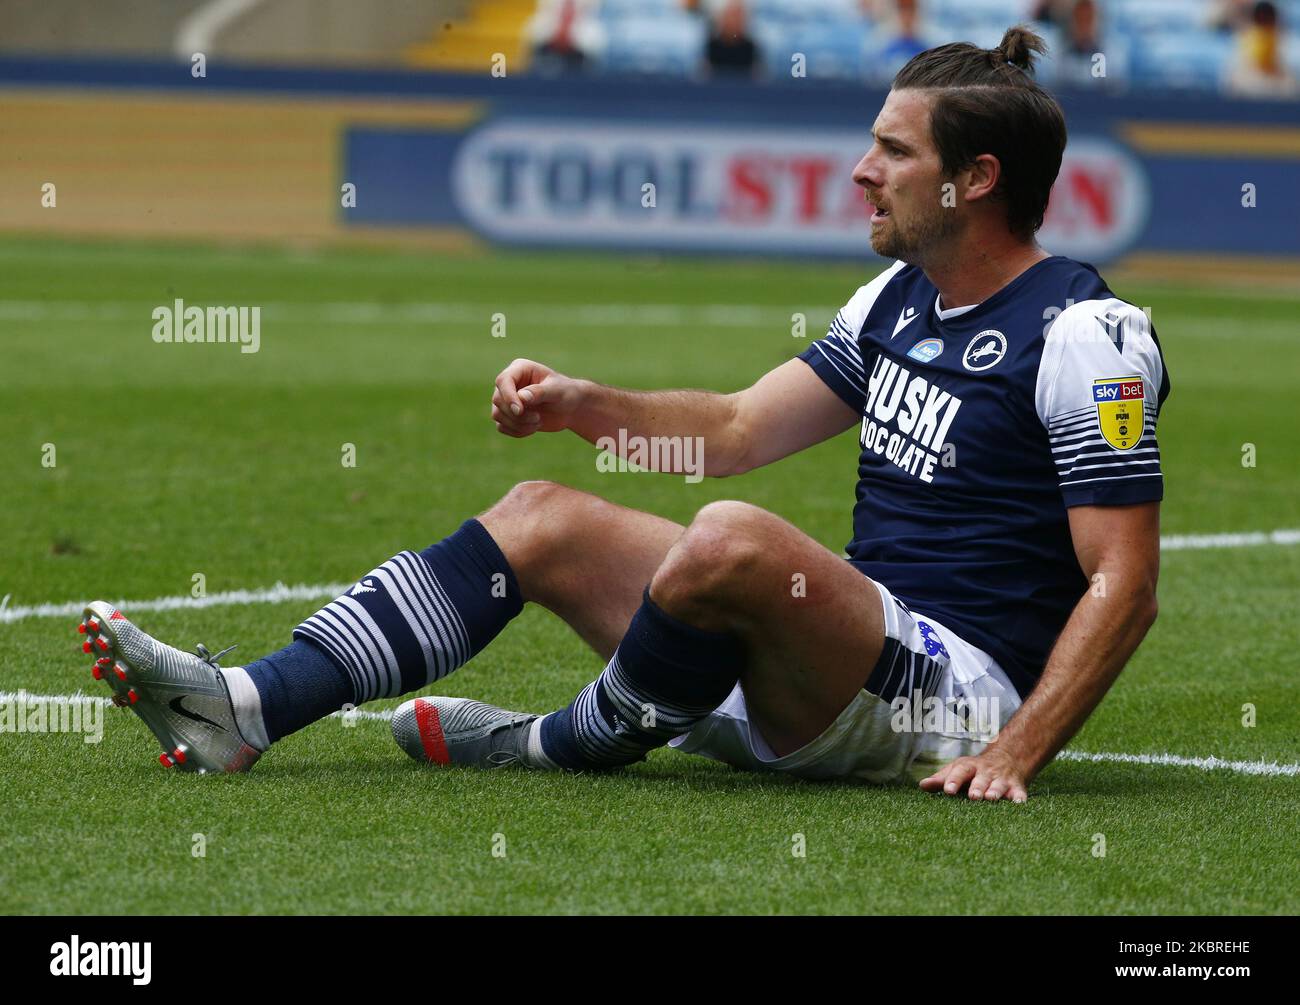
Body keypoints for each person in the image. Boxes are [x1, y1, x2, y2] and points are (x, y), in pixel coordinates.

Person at [79, 26, 1168, 803]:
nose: (859, 171)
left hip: (957, 701)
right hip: (845, 649)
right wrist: (586, 407)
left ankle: (557, 744)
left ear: (974, 179)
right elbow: (740, 430)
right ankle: (246, 709)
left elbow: (1124, 583)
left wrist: (1017, 751)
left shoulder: (1086, 335)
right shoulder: (895, 298)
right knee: (540, 514)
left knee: (734, 539)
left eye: (893, 151)